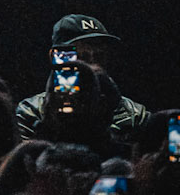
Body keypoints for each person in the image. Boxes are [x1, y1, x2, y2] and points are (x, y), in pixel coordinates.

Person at [15, 13, 150, 142]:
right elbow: (22, 161)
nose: (92, 65)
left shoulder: (135, 114)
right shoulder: (30, 111)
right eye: (82, 58)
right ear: (55, 57)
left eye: (99, 56)